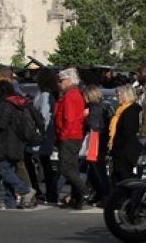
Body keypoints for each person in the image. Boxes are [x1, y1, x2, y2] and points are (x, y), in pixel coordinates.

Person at [0, 80, 37, 209]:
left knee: (4, 170)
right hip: (15, 142)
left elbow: (1, 124)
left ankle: (25, 190)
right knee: (10, 170)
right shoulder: (13, 103)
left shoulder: (5, 105)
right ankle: (10, 202)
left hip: (7, 143)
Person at [53, 68, 87, 209]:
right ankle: (76, 199)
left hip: (69, 137)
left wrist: (63, 136)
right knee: (72, 169)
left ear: (68, 80)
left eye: (61, 81)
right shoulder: (71, 94)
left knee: (67, 169)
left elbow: (70, 119)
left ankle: (82, 192)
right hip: (71, 136)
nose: (59, 84)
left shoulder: (71, 95)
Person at [31, 68, 58, 204]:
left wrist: (37, 132)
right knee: (44, 163)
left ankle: (48, 193)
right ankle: (49, 193)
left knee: (43, 163)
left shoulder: (45, 95)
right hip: (45, 134)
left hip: (43, 135)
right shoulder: (45, 94)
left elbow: (44, 116)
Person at [83, 85, 111, 206]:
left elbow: (94, 125)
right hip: (101, 140)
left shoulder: (93, 108)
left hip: (96, 140)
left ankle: (105, 195)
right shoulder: (102, 106)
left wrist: (85, 117)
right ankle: (101, 194)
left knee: (98, 170)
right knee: (95, 170)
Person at [108, 84, 142, 184]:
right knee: (117, 178)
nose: (116, 97)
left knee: (124, 178)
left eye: (118, 95)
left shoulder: (131, 111)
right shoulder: (121, 110)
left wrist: (117, 146)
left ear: (125, 95)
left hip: (125, 151)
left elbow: (129, 131)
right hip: (119, 150)